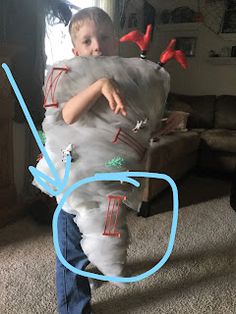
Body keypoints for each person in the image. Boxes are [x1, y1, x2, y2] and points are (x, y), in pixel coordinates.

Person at [44, 7, 184, 314]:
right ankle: (74, 308)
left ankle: (97, 266)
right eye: (87, 40)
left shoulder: (127, 77)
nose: (97, 46)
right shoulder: (73, 75)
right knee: (69, 247)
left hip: (112, 173)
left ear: (116, 43)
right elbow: (66, 115)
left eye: (105, 38)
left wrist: (161, 123)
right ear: (75, 50)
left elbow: (132, 124)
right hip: (75, 178)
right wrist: (99, 85)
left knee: (107, 229)